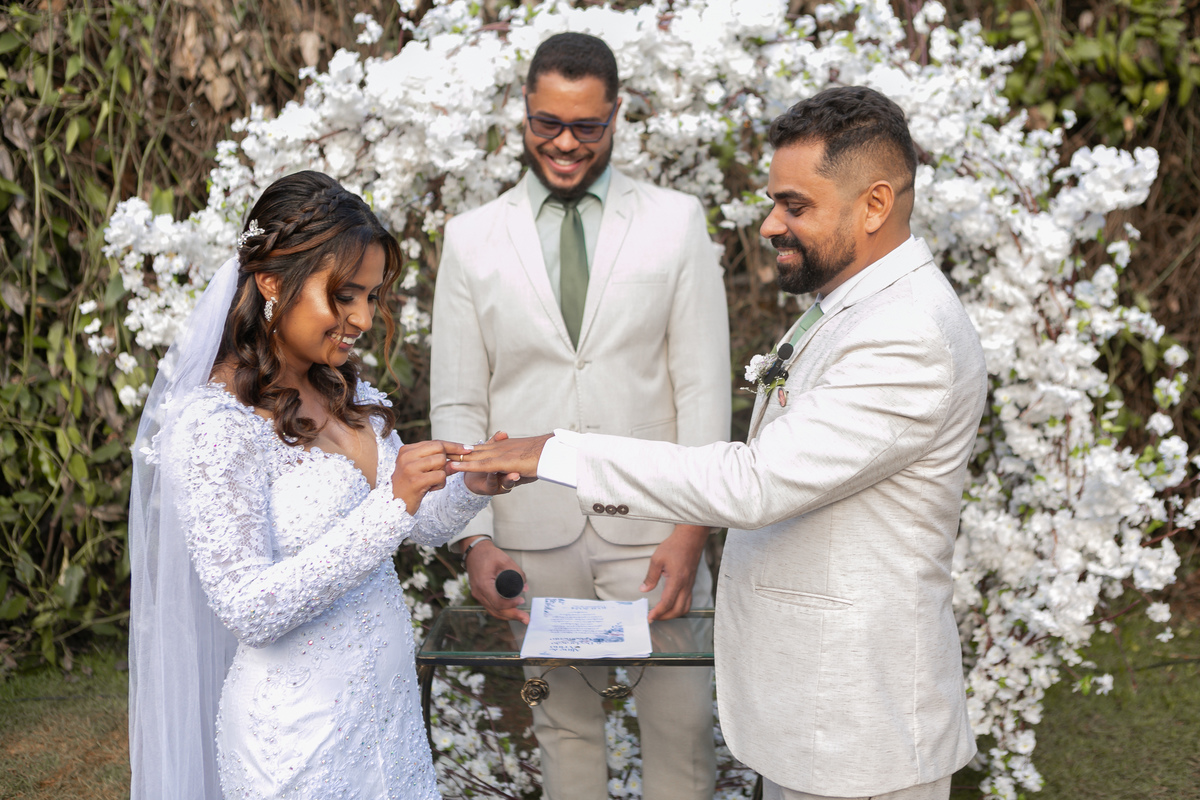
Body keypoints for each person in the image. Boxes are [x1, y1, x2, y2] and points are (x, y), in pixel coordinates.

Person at [448, 86, 986, 800]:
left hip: (861, 724)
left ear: (875, 204)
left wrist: (557, 452)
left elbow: (755, 483)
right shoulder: (852, 308)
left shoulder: (907, 333)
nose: (770, 224)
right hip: (819, 717)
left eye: (795, 205)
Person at [127, 171, 520, 800]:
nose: (362, 318)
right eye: (343, 295)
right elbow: (249, 608)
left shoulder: (347, 392)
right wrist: (392, 503)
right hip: (296, 741)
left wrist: (471, 484)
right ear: (271, 281)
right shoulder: (215, 425)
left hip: (387, 720)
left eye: (371, 296)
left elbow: (417, 524)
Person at [429, 32, 730, 800]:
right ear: (523, 112)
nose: (564, 143)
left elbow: (703, 387)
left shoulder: (676, 222)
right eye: (547, 123)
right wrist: (475, 542)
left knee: (683, 731)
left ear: (616, 114)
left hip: (658, 532)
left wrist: (691, 530)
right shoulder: (470, 239)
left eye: (586, 126)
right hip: (529, 538)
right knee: (563, 733)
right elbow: (459, 402)